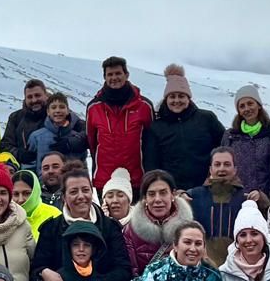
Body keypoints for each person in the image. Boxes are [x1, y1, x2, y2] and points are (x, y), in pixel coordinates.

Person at [30, 166, 130, 281]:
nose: (81, 196)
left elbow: (123, 271)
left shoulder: (109, 227)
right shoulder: (51, 228)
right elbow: (36, 268)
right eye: (73, 192)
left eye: (85, 190)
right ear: (64, 197)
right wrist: (44, 272)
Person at [141, 65, 225, 191]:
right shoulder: (156, 127)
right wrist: (163, 188)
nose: (177, 100)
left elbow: (224, 148)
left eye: (181, 96)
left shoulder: (207, 119)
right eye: (172, 96)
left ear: (188, 98)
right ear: (166, 99)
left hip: (208, 188)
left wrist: (214, 176)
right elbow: (152, 164)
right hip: (172, 193)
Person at [86, 56, 152, 191]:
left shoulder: (144, 106)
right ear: (104, 77)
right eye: (110, 74)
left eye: (118, 73)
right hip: (104, 181)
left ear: (126, 75)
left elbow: (151, 143)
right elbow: (92, 144)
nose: (114, 77)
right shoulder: (94, 107)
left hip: (137, 180)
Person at [124, 169, 195, 275]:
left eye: (163, 193)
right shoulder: (130, 230)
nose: (157, 199)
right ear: (145, 198)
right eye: (151, 194)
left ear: (173, 194)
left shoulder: (190, 228)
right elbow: (131, 272)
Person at [186, 148, 249, 265]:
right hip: (202, 264)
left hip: (238, 265)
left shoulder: (245, 199)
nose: (222, 168)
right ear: (211, 169)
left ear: (235, 169)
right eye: (217, 164)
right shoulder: (193, 196)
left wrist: (262, 200)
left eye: (227, 164)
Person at [221, 84, 270, 198]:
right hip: (234, 198)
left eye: (250, 103)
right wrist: (221, 199)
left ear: (259, 105)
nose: (247, 109)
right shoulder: (230, 136)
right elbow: (221, 168)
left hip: (263, 198)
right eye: (242, 106)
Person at [25, 94, 89, 174]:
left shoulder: (77, 138)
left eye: (62, 107)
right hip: (44, 184)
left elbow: (83, 167)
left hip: (71, 184)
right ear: (48, 111)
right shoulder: (36, 137)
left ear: (68, 111)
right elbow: (29, 165)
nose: (58, 110)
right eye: (53, 107)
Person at [1, 79, 50, 165]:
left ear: (46, 95)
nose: (34, 100)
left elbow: (79, 129)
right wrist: (20, 154)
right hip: (24, 170)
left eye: (37, 95)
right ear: (25, 99)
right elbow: (5, 145)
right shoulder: (16, 118)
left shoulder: (57, 114)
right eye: (30, 97)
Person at [11, 168, 62, 240]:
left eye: (27, 193)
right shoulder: (6, 219)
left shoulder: (54, 215)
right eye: (16, 194)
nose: (20, 199)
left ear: (35, 191)